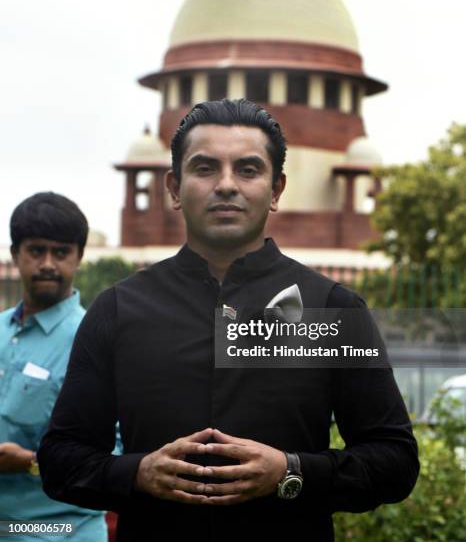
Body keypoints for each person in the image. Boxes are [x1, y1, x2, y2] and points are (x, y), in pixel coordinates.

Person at [38, 100, 419, 541]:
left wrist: (291, 471)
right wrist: (137, 473)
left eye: (248, 169)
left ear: (275, 190)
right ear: (174, 188)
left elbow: (395, 461)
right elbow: (61, 460)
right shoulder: (119, 310)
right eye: (204, 168)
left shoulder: (331, 308)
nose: (226, 185)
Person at [0, 192, 108, 541]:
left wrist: (32, 462)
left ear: (79, 258)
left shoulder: (95, 340)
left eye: (60, 252)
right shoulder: (0, 330)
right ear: (16, 255)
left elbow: (116, 457)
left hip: (61, 530)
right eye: (36, 251)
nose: (47, 263)